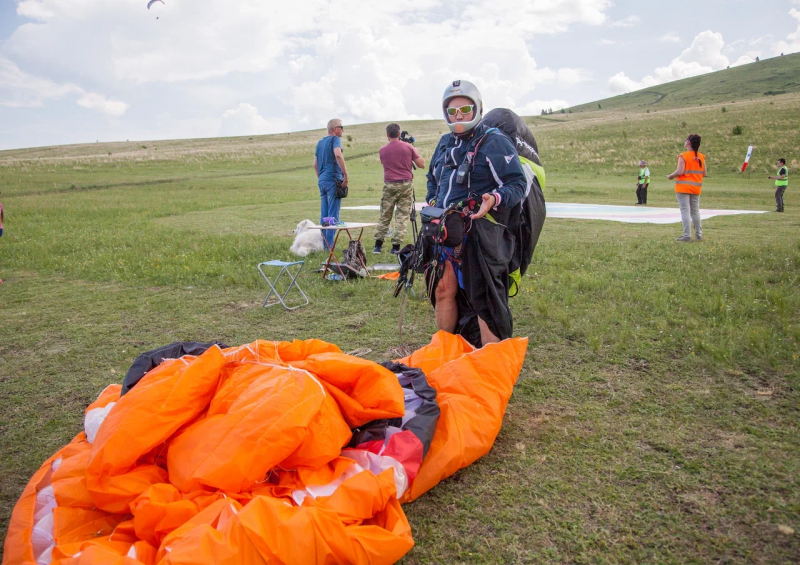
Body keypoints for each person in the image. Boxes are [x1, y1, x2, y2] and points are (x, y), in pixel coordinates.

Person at [425, 80, 527, 347]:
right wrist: (433, 200)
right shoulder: (445, 143)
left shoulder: (495, 142)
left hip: (479, 235)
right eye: (452, 111)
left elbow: (517, 184)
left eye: (465, 110)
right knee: (442, 289)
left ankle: (489, 362)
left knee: (484, 299)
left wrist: (494, 198)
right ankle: (447, 351)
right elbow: (432, 178)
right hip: (445, 232)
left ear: (478, 109)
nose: (458, 116)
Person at [374, 124, 426, 254]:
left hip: (389, 184)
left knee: (385, 214)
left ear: (387, 135)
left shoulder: (382, 150)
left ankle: (378, 245)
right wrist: (413, 149)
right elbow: (421, 165)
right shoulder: (408, 147)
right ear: (399, 133)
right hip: (405, 184)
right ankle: (396, 246)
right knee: (402, 216)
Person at [313, 119, 348, 250]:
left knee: (325, 213)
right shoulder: (335, 140)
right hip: (333, 179)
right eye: (341, 127)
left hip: (322, 180)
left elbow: (315, 165)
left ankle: (324, 244)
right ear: (334, 129)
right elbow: (338, 155)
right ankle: (329, 246)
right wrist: (345, 173)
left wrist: (321, 177)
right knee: (333, 214)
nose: (343, 130)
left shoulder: (320, 142)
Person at [667, 134, 706, 242]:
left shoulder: (683, 156)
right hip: (696, 188)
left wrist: (671, 176)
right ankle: (699, 234)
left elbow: (679, 171)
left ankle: (687, 235)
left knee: (685, 211)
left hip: (683, 188)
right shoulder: (701, 157)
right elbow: (704, 173)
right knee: (695, 211)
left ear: (688, 143)